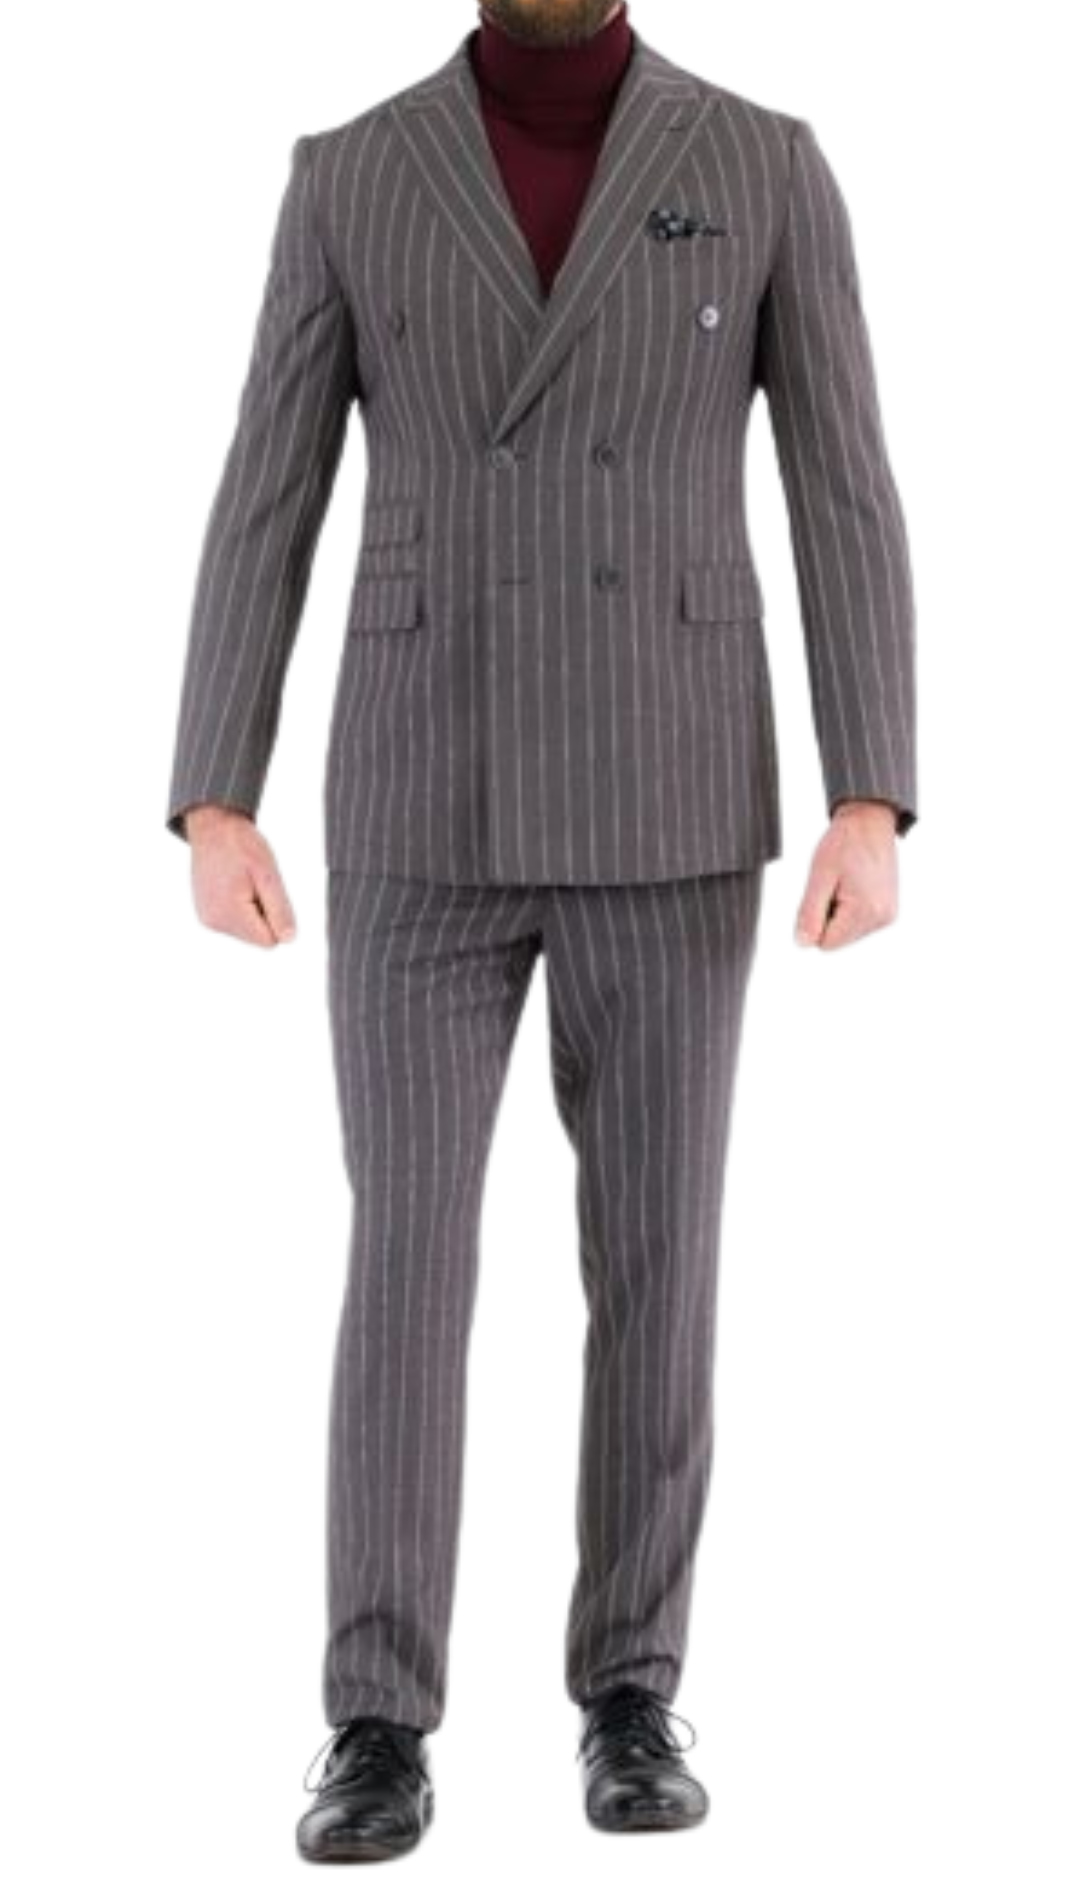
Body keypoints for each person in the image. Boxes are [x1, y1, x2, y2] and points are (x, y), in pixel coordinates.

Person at [165, 0, 917, 1861]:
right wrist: (212, 788)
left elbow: (842, 477)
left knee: (660, 1260)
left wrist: (873, 790)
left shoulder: (763, 162)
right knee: (406, 1261)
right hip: (419, 786)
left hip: (673, 783)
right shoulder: (349, 174)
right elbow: (267, 481)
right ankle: (374, 1717)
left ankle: (632, 1690)